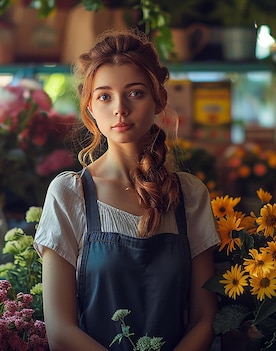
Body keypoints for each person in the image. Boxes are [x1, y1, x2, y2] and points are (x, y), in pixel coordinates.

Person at [33, 28, 220, 351]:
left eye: (135, 93)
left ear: (158, 99)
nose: (120, 108)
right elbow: (61, 331)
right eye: (105, 96)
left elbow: (204, 319)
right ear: (90, 106)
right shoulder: (69, 194)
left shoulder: (190, 196)